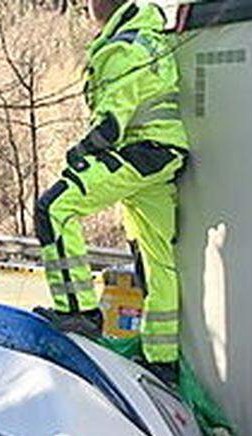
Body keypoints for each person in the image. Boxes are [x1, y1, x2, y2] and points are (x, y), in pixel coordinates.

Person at [33, 0, 189, 385]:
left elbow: (111, 125)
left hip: (140, 151)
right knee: (159, 260)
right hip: (163, 154)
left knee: (54, 208)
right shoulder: (148, 37)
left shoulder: (124, 47)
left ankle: (79, 311)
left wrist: (79, 153)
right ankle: (163, 359)